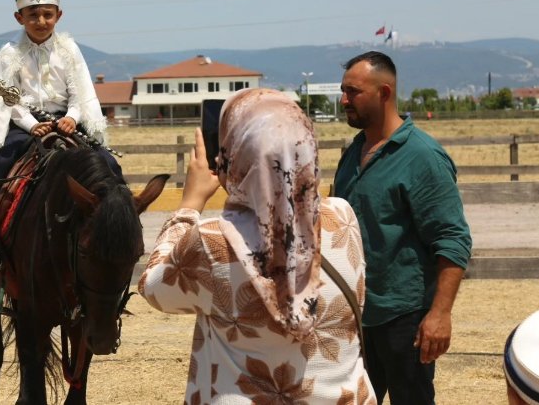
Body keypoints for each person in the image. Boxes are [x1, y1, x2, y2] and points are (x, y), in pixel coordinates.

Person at [139, 88, 375, 404]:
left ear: (231, 160)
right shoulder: (342, 215)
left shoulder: (212, 242)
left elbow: (154, 287)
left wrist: (189, 206)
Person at [0, 0, 121, 272]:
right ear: (19, 18)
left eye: (47, 15)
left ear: (59, 15)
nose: (40, 21)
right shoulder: (9, 54)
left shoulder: (69, 50)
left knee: (108, 165)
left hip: (65, 122)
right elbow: (6, 96)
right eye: (33, 15)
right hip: (23, 124)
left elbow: (80, 91)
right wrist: (29, 124)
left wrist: (73, 118)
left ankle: (118, 229)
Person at [334, 51, 472, 404]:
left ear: (384, 93)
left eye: (353, 92)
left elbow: (452, 239)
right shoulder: (354, 154)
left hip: (405, 318)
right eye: (343, 90)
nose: (343, 100)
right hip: (357, 317)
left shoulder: (422, 156)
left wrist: (439, 315)